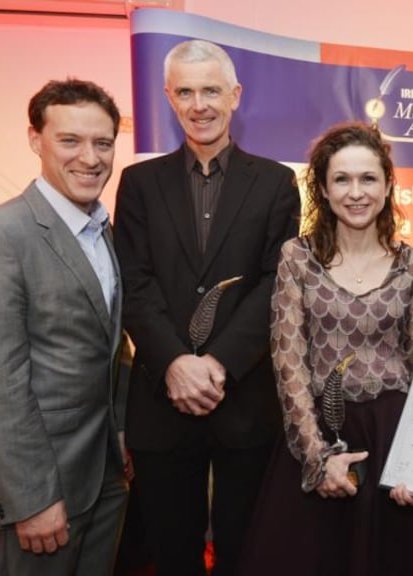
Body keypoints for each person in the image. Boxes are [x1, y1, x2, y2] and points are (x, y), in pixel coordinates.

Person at [112, 39, 300, 576]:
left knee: (247, 552)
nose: (200, 104)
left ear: (235, 95)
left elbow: (275, 284)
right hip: (160, 404)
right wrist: (174, 361)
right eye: (186, 92)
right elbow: (134, 280)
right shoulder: (139, 184)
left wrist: (216, 364)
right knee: (172, 555)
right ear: (170, 98)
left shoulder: (276, 183)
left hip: (243, 402)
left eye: (211, 90)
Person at [0, 78, 129, 575]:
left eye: (103, 143)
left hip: (101, 474)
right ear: (34, 140)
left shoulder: (101, 232)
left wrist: (122, 435)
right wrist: (31, 499)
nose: (90, 157)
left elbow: (107, 349)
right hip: (40, 491)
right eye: (70, 140)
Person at [237, 122, 413, 576]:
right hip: (318, 434)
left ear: (388, 186)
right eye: (341, 179)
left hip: (393, 443)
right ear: (324, 191)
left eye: (368, 178)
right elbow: (289, 364)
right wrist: (318, 458)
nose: (356, 192)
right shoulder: (298, 259)